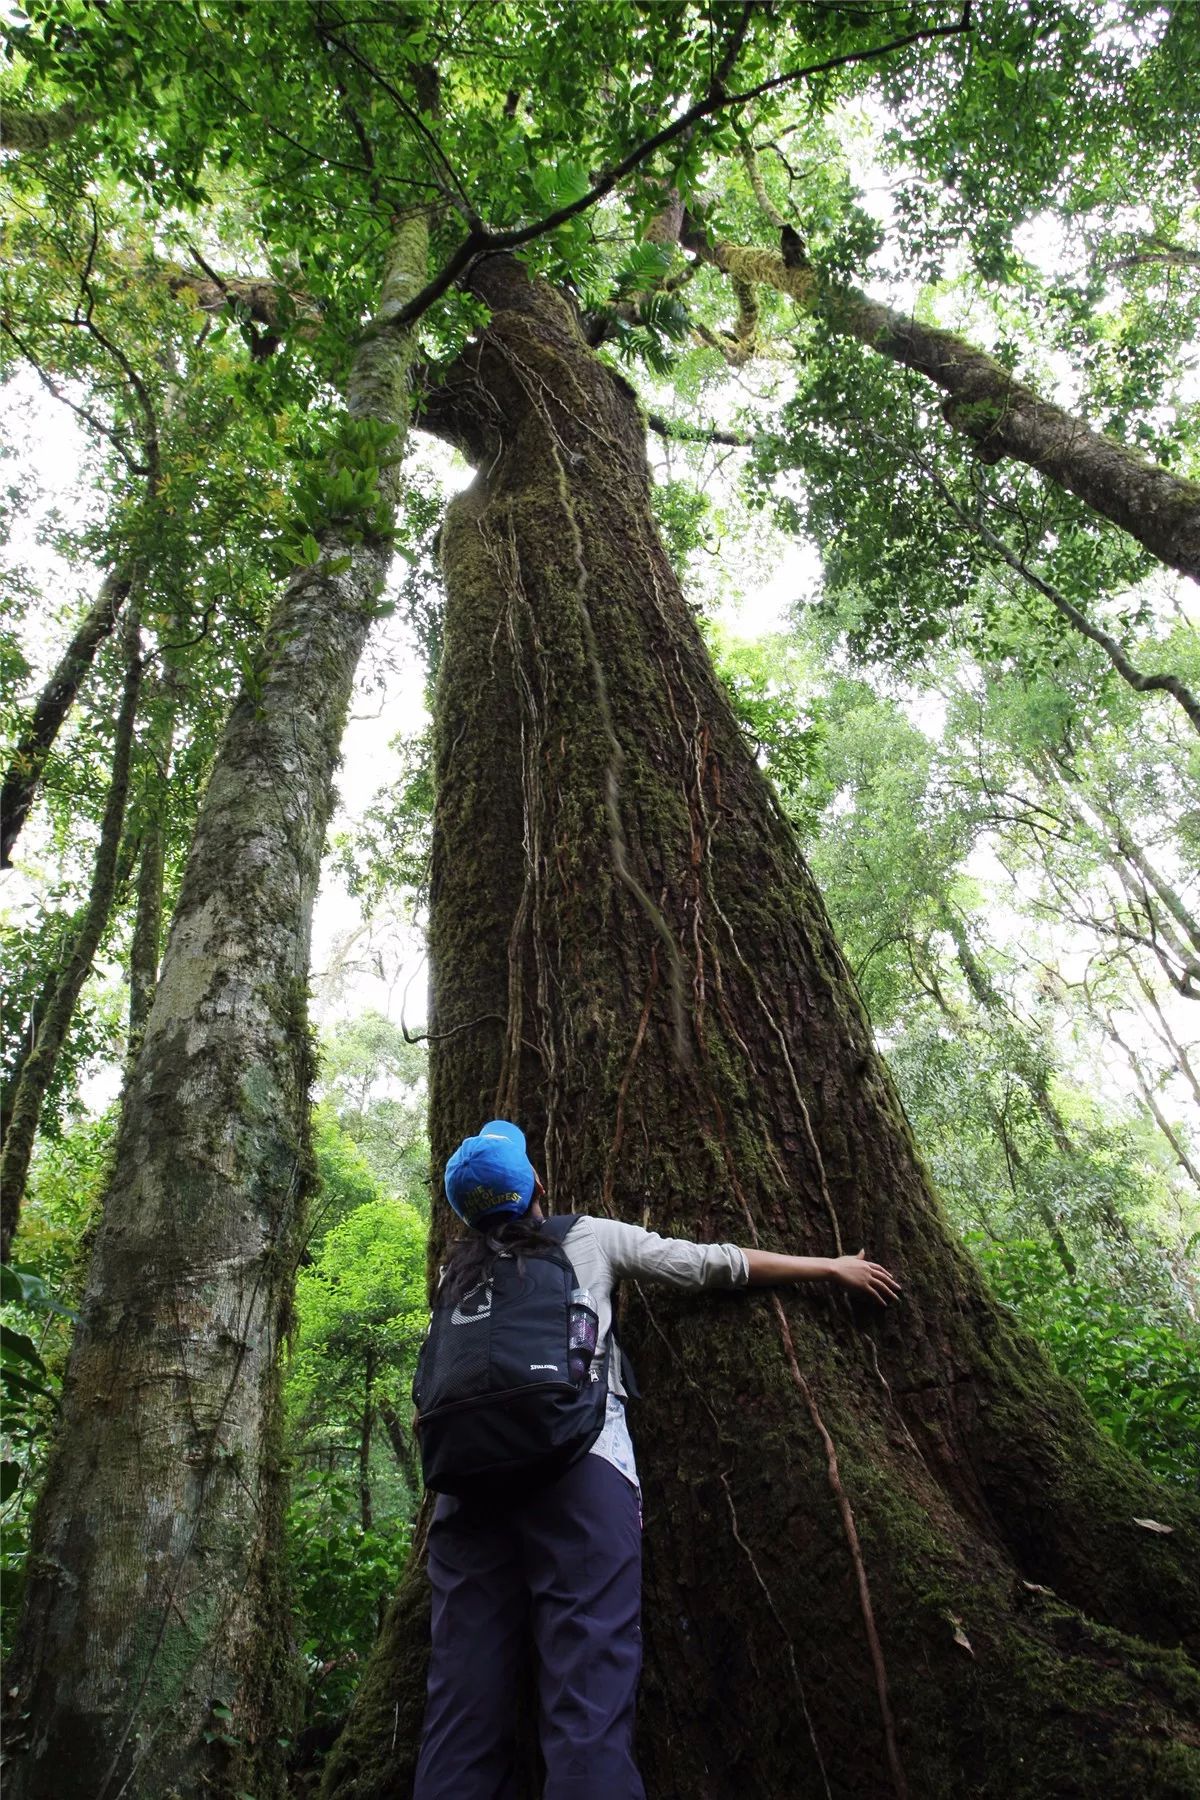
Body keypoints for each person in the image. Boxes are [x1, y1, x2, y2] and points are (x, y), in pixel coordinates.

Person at [412, 1118, 901, 1800]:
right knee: (586, 1696)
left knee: (462, 1709)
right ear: (537, 1189)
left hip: (464, 1496)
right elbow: (710, 1264)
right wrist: (828, 1266)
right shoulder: (586, 1237)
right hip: (580, 1473)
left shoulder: (451, 1275)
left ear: (463, 1214)